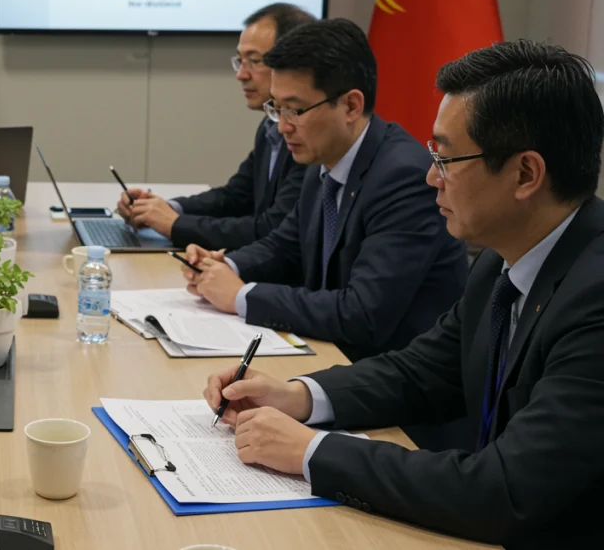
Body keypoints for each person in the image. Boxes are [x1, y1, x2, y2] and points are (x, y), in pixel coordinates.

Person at [203, 40, 604, 546]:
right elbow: (420, 372)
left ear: (526, 173)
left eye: (446, 158)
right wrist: (296, 396)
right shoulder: (504, 259)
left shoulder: (594, 297)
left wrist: (311, 451)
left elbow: (504, 491)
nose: (431, 176)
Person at [181, 19, 467, 362]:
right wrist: (225, 264)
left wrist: (242, 296)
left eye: (295, 110)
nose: (283, 126)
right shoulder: (324, 158)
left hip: (391, 375)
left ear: (351, 106)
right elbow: (285, 245)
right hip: (331, 355)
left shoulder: (403, 177)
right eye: (276, 108)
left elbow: (362, 313)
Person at [116, 3, 311, 251]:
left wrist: (174, 225)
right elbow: (236, 197)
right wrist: (163, 208)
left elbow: (270, 229)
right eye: (240, 61)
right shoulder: (269, 126)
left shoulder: (308, 137)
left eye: (254, 61)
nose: (241, 74)